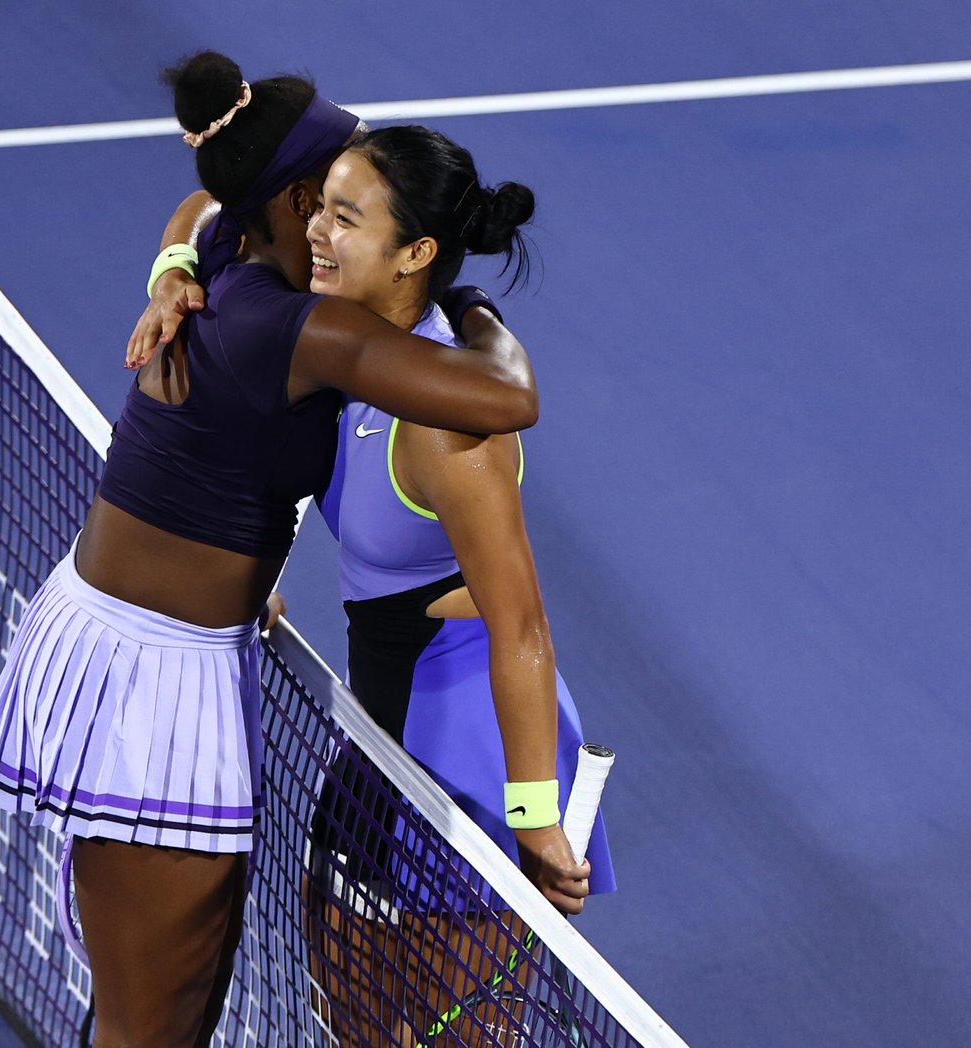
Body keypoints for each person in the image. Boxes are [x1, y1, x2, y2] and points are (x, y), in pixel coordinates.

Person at [0, 52, 544, 1048]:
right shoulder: (295, 326)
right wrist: (473, 308)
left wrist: (170, 268)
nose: (338, 208)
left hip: (130, 635)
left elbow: (195, 206)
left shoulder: (231, 246)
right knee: (155, 1026)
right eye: (331, 192)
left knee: (168, 1007)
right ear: (295, 202)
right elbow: (507, 397)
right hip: (157, 679)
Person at [304, 125, 617, 1043]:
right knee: (346, 1023)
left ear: (415, 254)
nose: (315, 229)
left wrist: (533, 814)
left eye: (345, 218)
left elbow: (522, 625)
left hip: (468, 764)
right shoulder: (342, 338)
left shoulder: (449, 430)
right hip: (376, 744)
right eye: (320, 205)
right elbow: (214, 206)